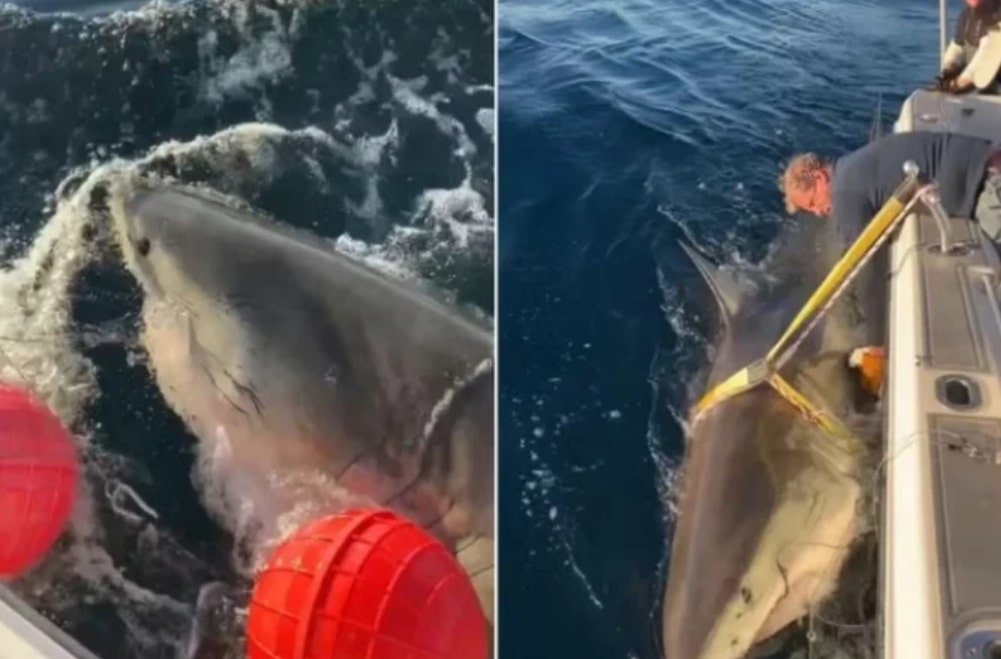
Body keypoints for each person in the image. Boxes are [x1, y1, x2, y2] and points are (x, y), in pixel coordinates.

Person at [779, 131, 1001, 250]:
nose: (818, 212)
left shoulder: (843, 192)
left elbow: (857, 259)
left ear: (819, 178)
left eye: (812, 203)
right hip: (985, 160)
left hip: (988, 184)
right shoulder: (851, 166)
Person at [931, 0, 1001, 94]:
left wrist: (957, 83)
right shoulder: (966, 15)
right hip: (973, 91)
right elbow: (958, 46)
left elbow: (989, 53)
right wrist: (949, 68)